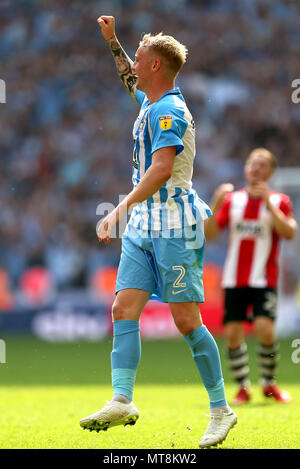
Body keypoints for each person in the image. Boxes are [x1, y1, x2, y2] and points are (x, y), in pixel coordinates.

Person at [79, 15, 237, 448]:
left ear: (156, 67)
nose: (135, 59)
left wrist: (117, 210)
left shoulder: (169, 110)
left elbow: (162, 168)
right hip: (145, 226)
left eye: (141, 54)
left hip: (174, 227)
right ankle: (122, 399)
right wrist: (112, 40)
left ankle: (221, 410)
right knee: (122, 309)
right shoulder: (150, 100)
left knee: (186, 322)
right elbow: (126, 72)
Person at [204, 148, 298, 405]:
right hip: (233, 278)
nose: (256, 169)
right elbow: (209, 234)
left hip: (264, 279)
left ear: (271, 171)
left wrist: (268, 202)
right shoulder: (232, 200)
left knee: (265, 329)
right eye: (252, 164)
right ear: (246, 169)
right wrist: (215, 203)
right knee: (233, 333)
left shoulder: (280, 200)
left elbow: (289, 232)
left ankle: (269, 384)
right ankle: (243, 387)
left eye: (262, 165)